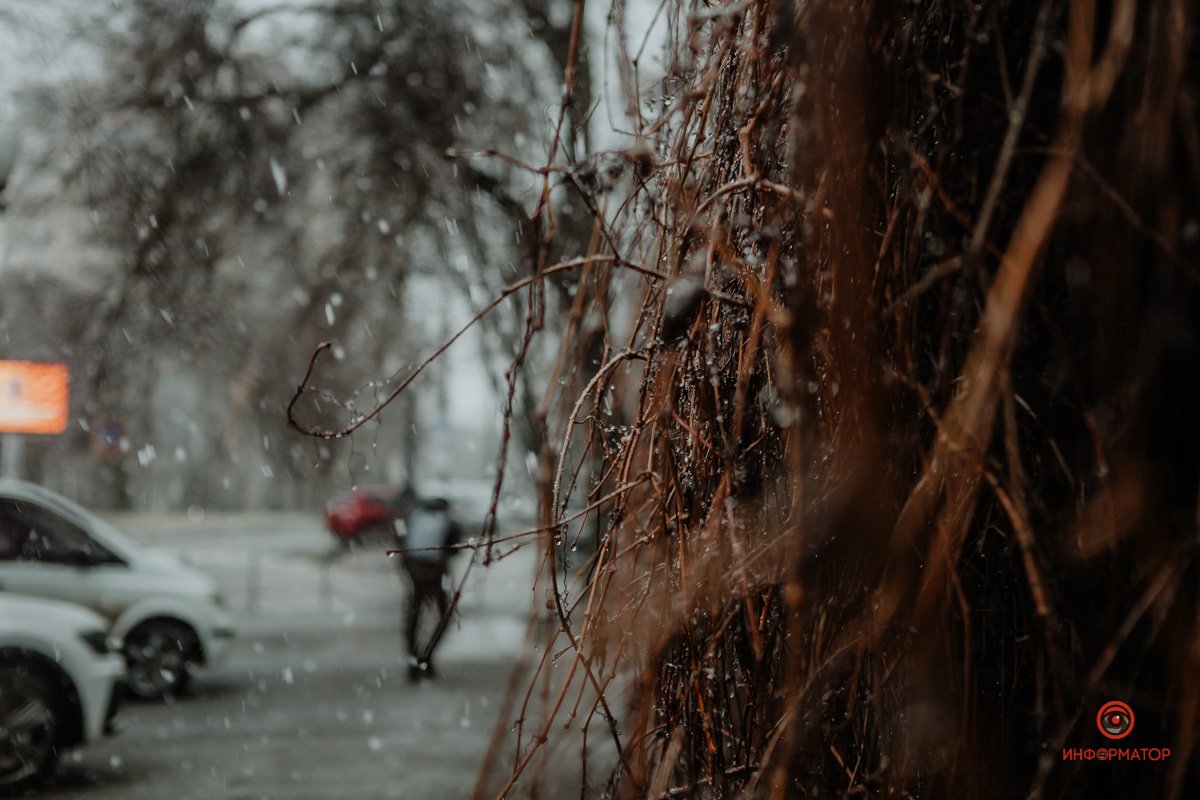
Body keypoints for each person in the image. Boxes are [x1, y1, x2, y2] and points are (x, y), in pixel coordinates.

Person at [397, 496, 462, 681]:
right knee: (443, 615)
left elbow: (403, 542)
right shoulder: (447, 520)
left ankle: (413, 659)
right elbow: (454, 548)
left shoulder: (416, 515)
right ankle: (426, 657)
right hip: (436, 572)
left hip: (414, 569)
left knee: (414, 615)